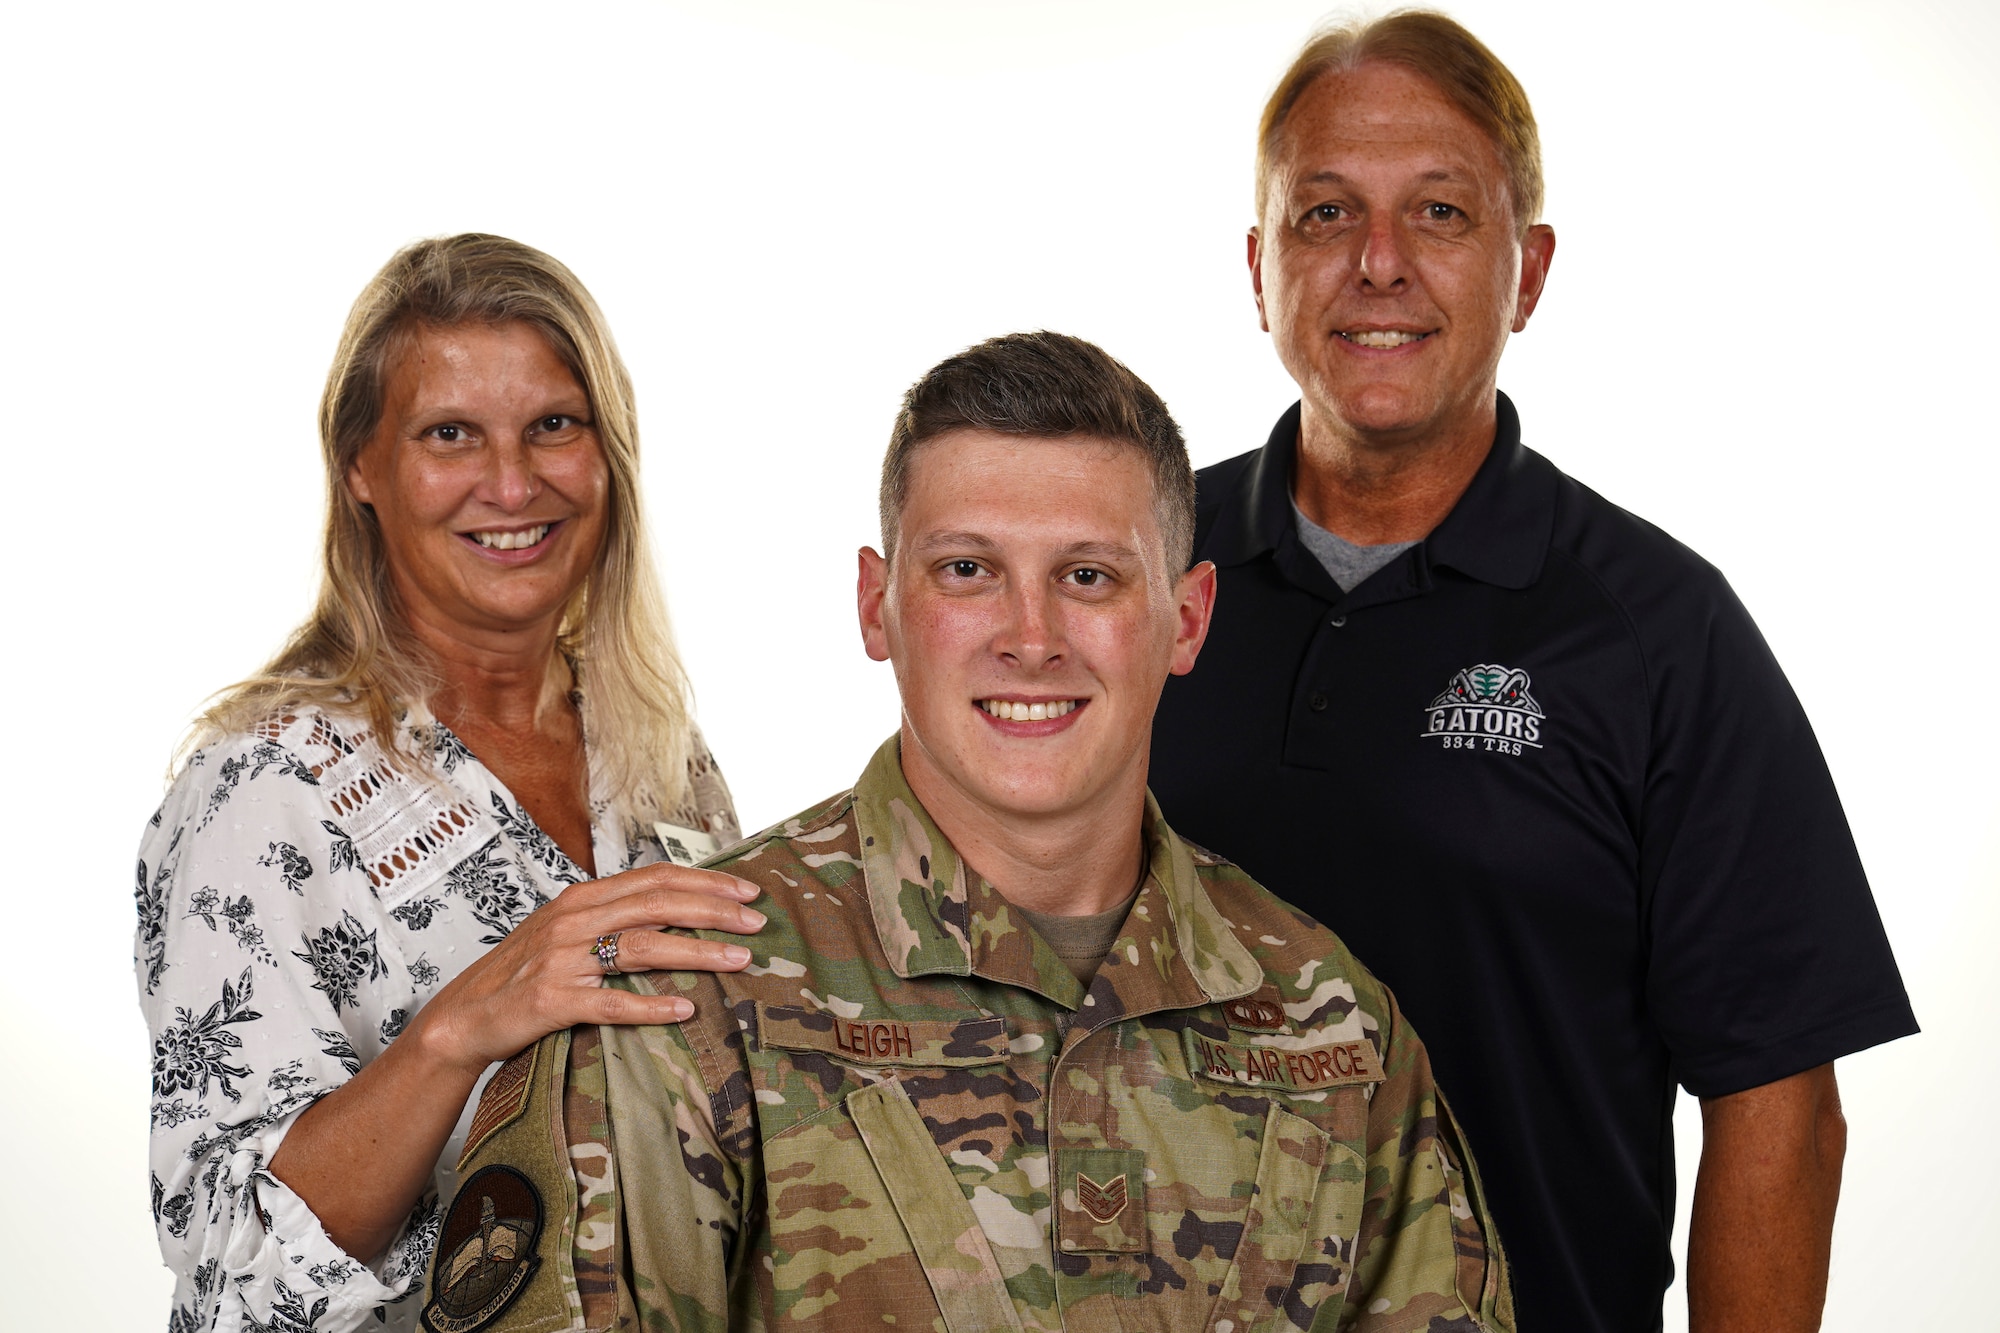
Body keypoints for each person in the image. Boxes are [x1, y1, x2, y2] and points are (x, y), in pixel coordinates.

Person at [429, 331, 1514, 1333]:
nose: (1029, 637)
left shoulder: (1330, 1024)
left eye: (1086, 575)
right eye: (967, 571)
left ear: (1185, 620)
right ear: (876, 604)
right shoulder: (689, 992)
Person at [1146, 14, 1917, 1333]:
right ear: (1261, 268)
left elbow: (1777, 1096)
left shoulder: (1660, 632)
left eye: (1439, 212)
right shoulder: (1127, 570)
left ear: (1529, 271)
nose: (1378, 265)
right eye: (1327, 215)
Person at [135, 234, 765, 1333]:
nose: (513, 483)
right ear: (361, 469)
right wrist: (459, 1024)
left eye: (553, 427)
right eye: (449, 435)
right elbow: (232, 1269)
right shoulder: (266, 788)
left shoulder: (657, 754)